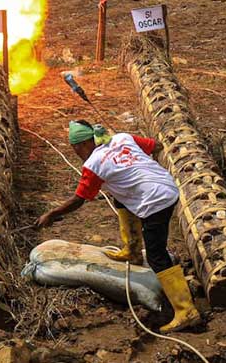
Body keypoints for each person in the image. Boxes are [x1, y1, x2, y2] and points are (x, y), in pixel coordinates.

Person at [36, 121, 203, 334]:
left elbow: (79, 200)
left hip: (155, 201)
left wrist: (52, 214)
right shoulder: (123, 137)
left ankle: (186, 311)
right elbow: (157, 146)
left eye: (75, 149)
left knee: (156, 255)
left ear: (83, 144)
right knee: (120, 198)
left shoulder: (94, 164)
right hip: (166, 186)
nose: (77, 154)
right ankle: (132, 251)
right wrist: (132, 163)